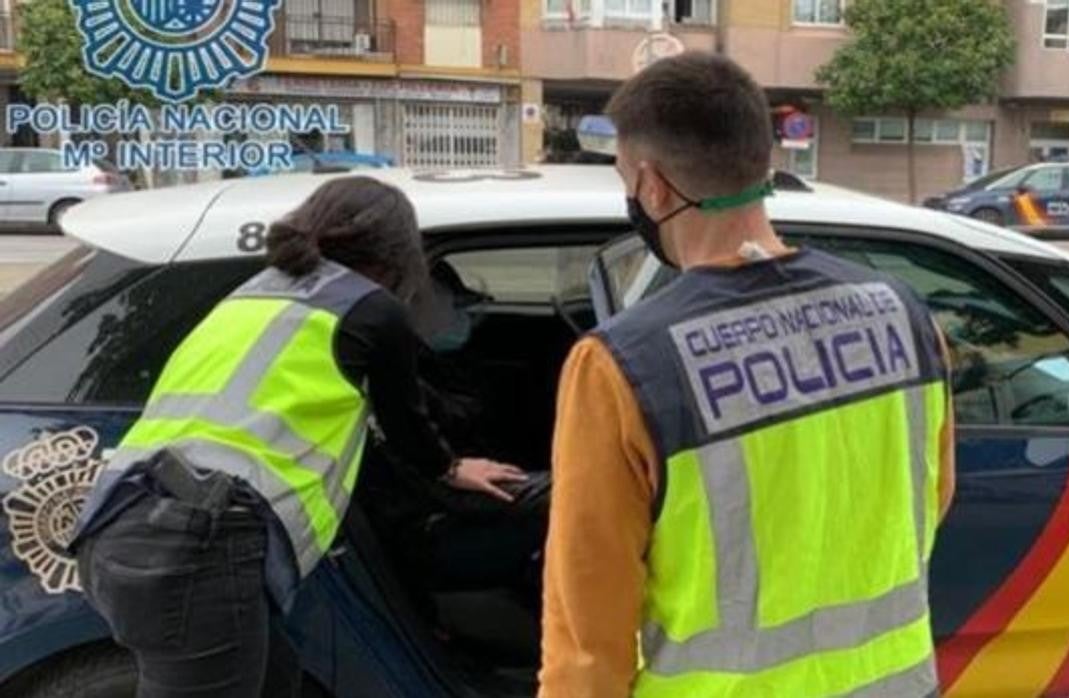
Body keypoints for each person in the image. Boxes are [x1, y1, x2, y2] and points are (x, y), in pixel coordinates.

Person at [539, 52, 956, 698]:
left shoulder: (620, 367)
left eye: (625, 179)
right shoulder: (903, 314)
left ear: (652, 186)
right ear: (762, 162)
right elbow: (932, 500)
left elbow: (588, 636)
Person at [70, 176, 529, 698]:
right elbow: (408, 424)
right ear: (401, 252)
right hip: (200, 546)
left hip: (121, 524)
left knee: (276, 680)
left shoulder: (251, 293)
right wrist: (450, 469)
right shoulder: (371, 311)